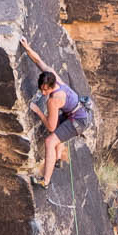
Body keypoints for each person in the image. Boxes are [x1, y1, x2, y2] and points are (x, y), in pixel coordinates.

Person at [21, 36, 83, 187]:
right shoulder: (52, 76)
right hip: (74, 113)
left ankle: (45, 181)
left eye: (45, 90)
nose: (43, 93)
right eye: (41, 89)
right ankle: (58, 158)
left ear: (51, 86)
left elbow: (50, 127)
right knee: (58, 133)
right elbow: (39, 61)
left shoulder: (54, 100)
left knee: (50, 141)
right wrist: (27, 48)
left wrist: (38, 111)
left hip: (78, 121)